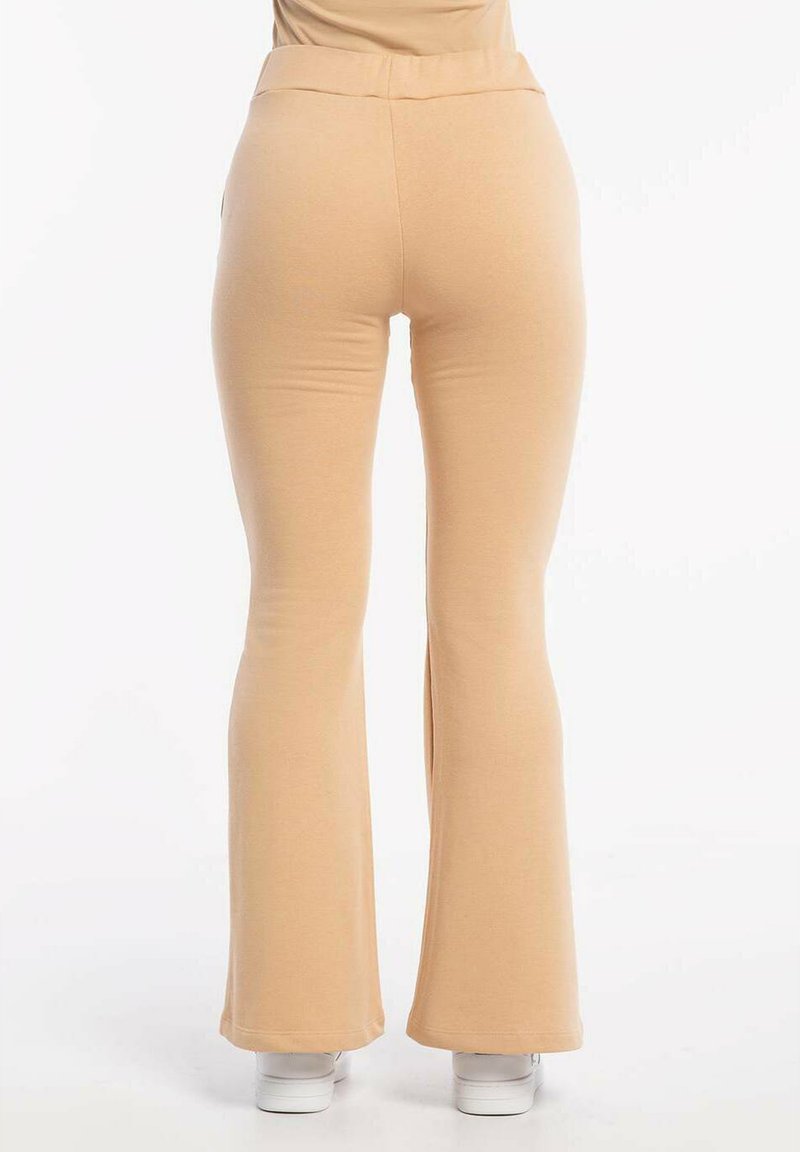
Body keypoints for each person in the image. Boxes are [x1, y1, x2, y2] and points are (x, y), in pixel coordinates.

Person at [212, 0, 584, 1116]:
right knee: (496, 611)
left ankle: (294, 1038)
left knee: (296, 607)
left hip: (305, 151)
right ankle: (497, 1043)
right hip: (494, 152)